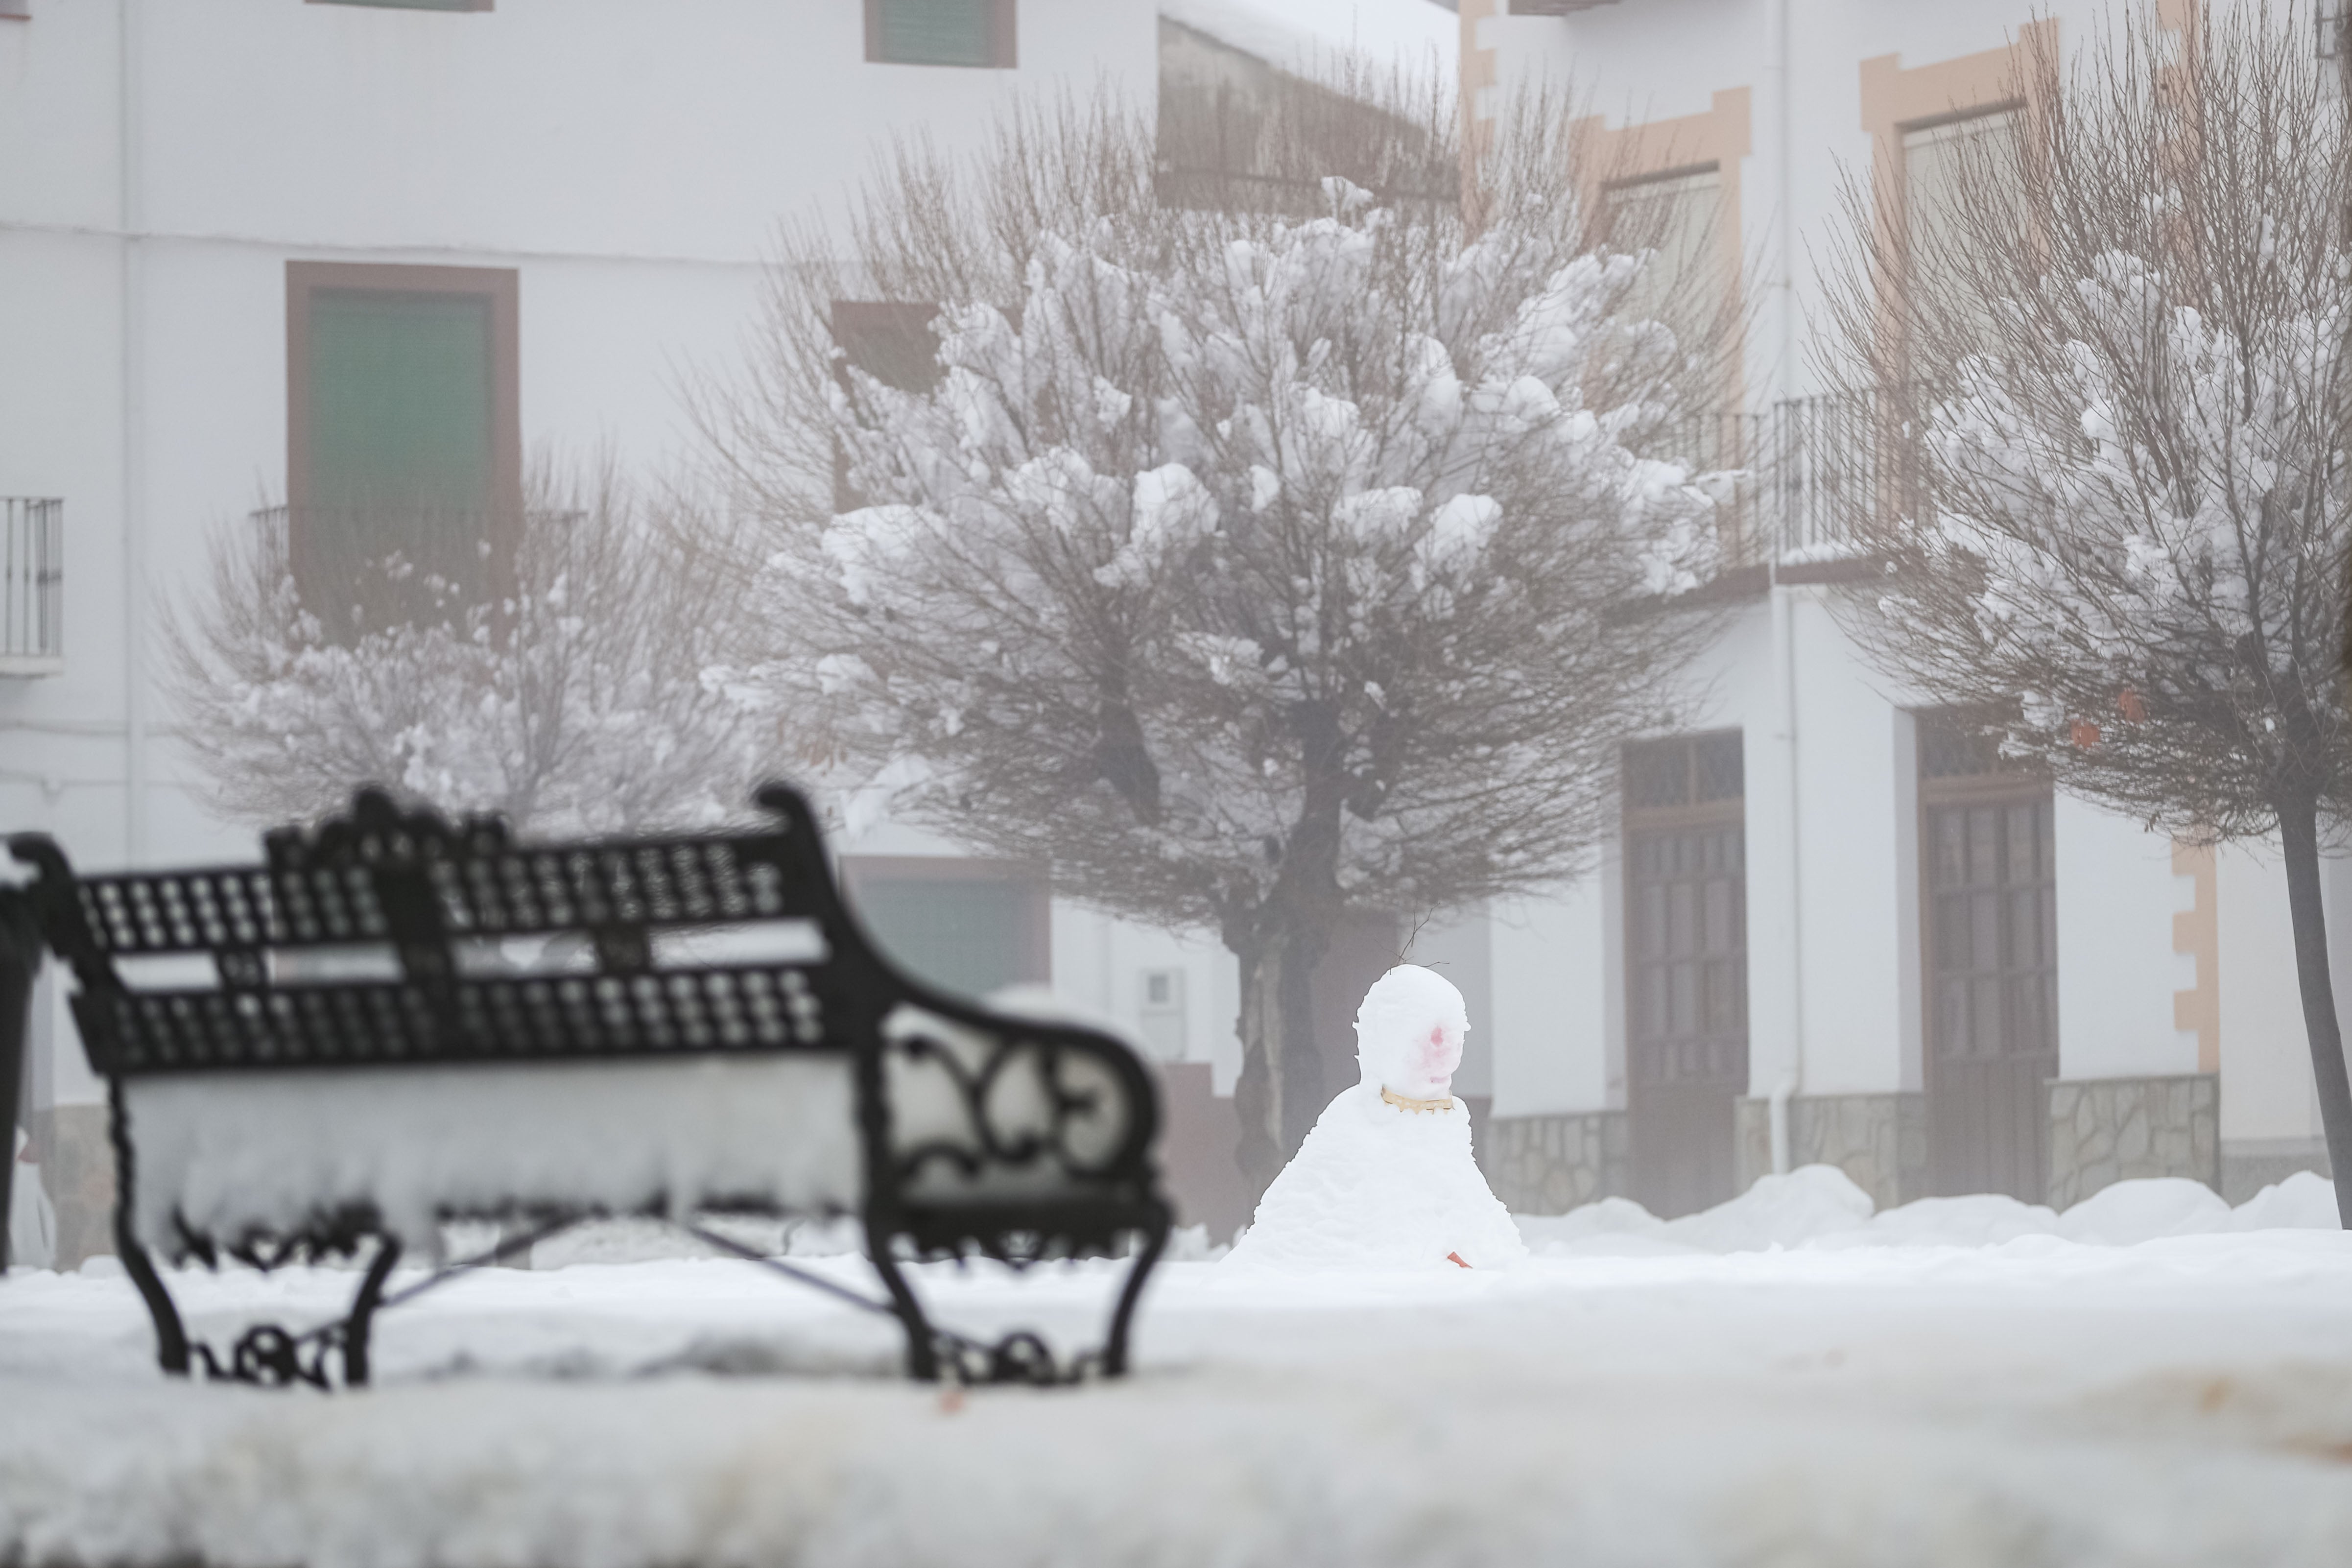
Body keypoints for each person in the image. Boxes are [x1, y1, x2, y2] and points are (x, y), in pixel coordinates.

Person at [1224, 964, 1527, 1270]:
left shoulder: (1450, 1120)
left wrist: (1479, 1249)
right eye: (1430, 1042)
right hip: (1362, 1264)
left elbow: (1461, 1197)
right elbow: (1351, 1210)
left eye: (1455, 1041)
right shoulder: (1354, 1119)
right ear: (1387, 1041)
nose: (1446, 1059)